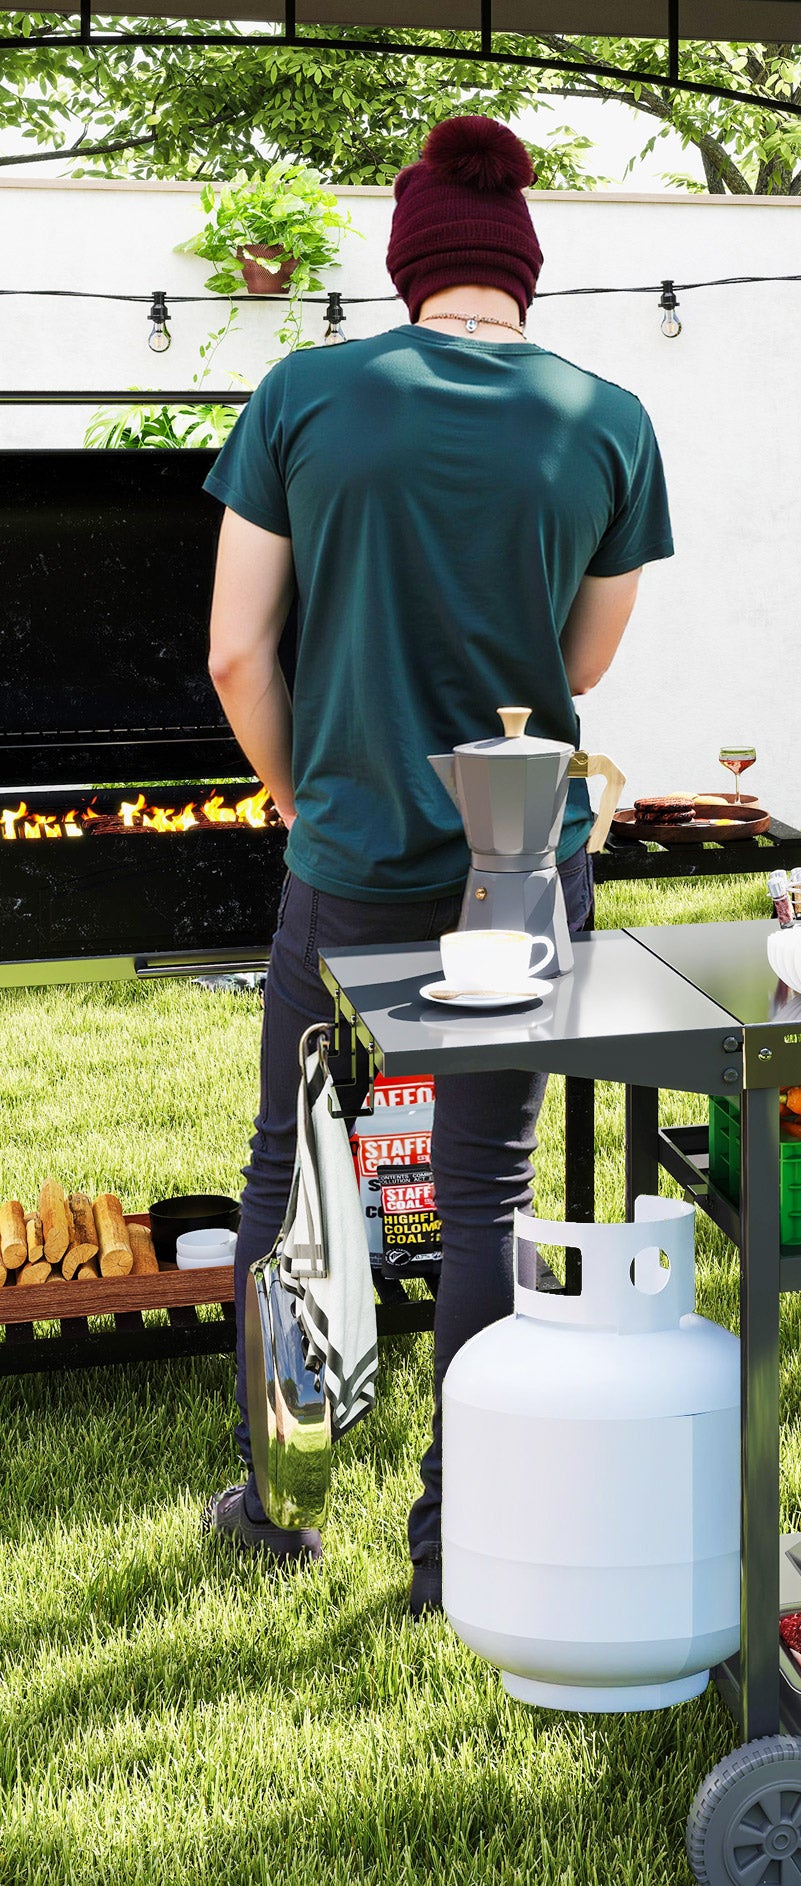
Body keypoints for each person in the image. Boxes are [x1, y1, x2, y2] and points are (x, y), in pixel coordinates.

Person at [200, 116, 673, 1615]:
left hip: (346, 850)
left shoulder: (307, 395)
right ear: (520, 276)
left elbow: (232, 652)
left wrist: (304, 799)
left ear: (407, 266)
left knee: (290, 1171)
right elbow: (580, 659)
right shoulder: (606, 417)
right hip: (522, 867)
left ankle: (279, 1505)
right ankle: (449, 1538)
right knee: (484, 1192)